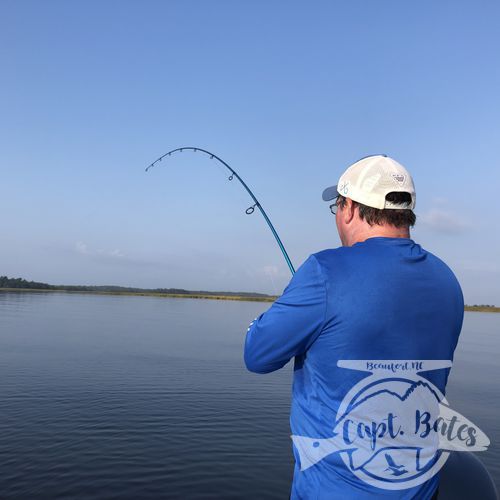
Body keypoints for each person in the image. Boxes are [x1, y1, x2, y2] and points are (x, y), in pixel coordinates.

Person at [244, 155, 464, 499]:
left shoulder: (324, 271)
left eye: (337, 206)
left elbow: (257, 356)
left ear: (348, 208)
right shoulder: (447, 280)